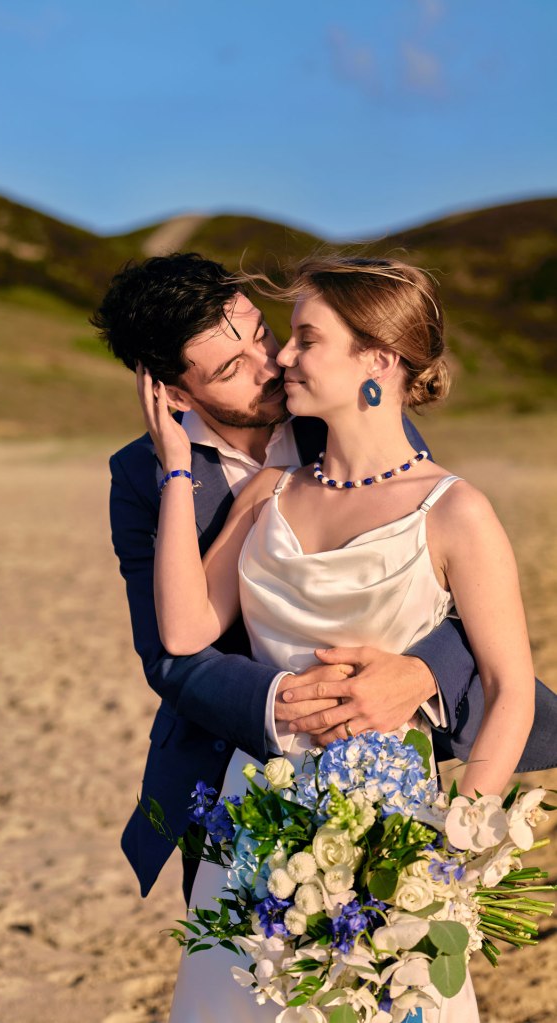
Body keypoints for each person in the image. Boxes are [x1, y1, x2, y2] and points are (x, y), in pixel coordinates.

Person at [140, 256, 538, 1021]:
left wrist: (453, 853)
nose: (282, 356)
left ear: (378, 361)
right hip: (253, 827)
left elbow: (509, 685)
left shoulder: (456, 511)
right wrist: (174, 468)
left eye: (305, 337)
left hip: (392, 836)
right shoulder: (270, 492)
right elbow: (186, 630)